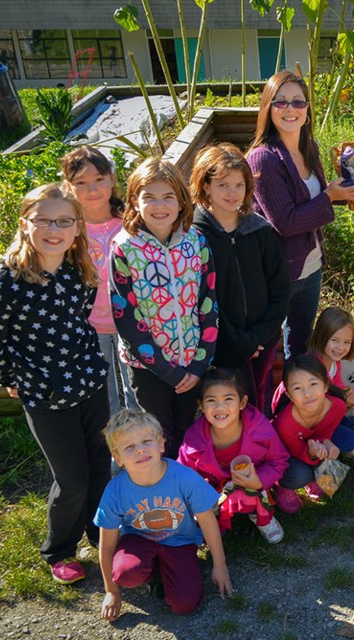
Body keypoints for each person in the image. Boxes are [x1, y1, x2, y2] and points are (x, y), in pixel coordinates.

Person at [0, 184, 111, 586]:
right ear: (25, 224)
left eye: (64, 221)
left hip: (88, 381)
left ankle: (100, 533)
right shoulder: (4, 285)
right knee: (73, 479)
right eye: (44, 220)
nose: (55, 229)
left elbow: (83, 310)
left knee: (100, 467)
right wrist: (9, 380)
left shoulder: (76, 268)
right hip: (46, 395)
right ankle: (60, 550)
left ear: (76, 226)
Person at [247, 70, 354, 360]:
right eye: (281, 102)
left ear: (307, 109)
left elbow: (319, 198)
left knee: (300, 348)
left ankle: (297, 405)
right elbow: (286, 222)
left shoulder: (308, 148)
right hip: (278, 274)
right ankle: (265, 405)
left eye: (298, 102)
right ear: (268, 108)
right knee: (264, 354)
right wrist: (330, 197)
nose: (291, 109)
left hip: (311, 266)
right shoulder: (263, 158)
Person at [110, 158, 218, 456]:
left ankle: (187, 490)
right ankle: (162, 495)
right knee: (159, 435)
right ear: (134, 200)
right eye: (150, 197)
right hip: (150, 369)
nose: (160, 206)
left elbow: (208, 303)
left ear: (182, 202)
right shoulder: (125, 248)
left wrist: (198, 364)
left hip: (191, 361)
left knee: (186, 430)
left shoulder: (196, 241)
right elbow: (126, 318)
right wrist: (168, 372)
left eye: (168, 197)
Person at [95, 410, 232, 620]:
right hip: (138, 539)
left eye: (146, 441)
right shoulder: (115, 491)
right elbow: (106, 544)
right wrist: (111, 591)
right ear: (118, 458)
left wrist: (219, 565)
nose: (140, 450)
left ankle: (165, 572)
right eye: (129, 447)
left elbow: (207, 520)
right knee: (125, 573)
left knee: (184, 605)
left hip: (179, 541)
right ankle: (153, 572)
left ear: (161, 444)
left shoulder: (184, 477)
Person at [190, 143, 289, 414]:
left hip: (262, 338)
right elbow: (198, 298)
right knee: (229, 407)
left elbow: (280, 288)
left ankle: (260, 451)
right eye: (222, 185)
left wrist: (260, 335)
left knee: (259, 399)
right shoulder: (194, 237)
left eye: (239, 185)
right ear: (205, 185)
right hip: (220, 345)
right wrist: (239, 343)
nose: (232, 193)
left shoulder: (258, 230)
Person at [61, 146, 138, 415]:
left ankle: (147, 449)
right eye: (80, 182)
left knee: (137, 390)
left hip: (133, 319)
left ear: (112, 179)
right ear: (68, 186)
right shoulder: (67, 228)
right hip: (90, 324)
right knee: (104, 396)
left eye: (98, 179)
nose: (91, 189)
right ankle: (114, 455)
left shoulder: (130, 220)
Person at [178, 369, 291, 542]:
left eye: (228, 399)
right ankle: (215, 516)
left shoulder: (260, 429)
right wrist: (199, 498)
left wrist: (258, 480)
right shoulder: (194, 439)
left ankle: (260, 516)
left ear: (242, 402)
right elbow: (184, 475)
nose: (220, 407)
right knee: (203, 524)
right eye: (211, 401)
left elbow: (279, 460)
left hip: (251, 483)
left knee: (246, 495)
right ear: (201, 405)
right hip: (214, 488)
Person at [271, 355, 354, 506]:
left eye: (313, 384)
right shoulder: (285, 424)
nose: (307, 394)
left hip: (311, 443)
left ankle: (315, 478)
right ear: (289, 395)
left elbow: (326, 432)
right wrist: (312, 452)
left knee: (345, 442)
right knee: (300, 475)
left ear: (326, 385)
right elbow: (299, 452)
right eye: (297, 388)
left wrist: (325, 442)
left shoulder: (338, 407)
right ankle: (283, 486)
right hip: (286, 451)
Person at [306, 307, 354, 425]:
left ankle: (337, 430)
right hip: (311, 416)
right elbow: (317, 401)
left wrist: (348, 394)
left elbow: (337, 383)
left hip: (329, 406)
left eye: (347, 342)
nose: (341, 348)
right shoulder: (313, 366)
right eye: (335, 340)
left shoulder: (334, 362)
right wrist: (344, 401)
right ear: (322, 336)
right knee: (350, 439)